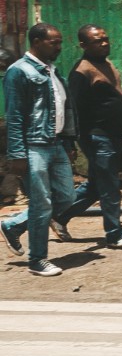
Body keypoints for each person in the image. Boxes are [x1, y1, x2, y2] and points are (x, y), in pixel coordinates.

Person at [2, 23, 82, 276]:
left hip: (56, 143)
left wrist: (69, 142)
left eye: (59, 42)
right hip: (34, 146)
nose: (59, 47)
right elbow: (14, 116)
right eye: (54, 42)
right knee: (42, 203)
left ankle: (14, 225)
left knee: (67, 196)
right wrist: (17, 154)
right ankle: (38, 260)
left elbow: (63, 110)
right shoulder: (19, 71)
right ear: (36, 41)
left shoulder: (53, 72)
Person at [54, 26, 122, 252]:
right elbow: (73, 108)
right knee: (110, 186)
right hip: (97, 137)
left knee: (96, 185)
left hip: (113, 136)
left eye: (105, 39)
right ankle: (114, 234)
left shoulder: (108, 64)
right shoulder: (81, 72)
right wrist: (70, 141)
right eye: (97, 41)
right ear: (83, 45)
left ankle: (58, 217)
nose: (104, 44)